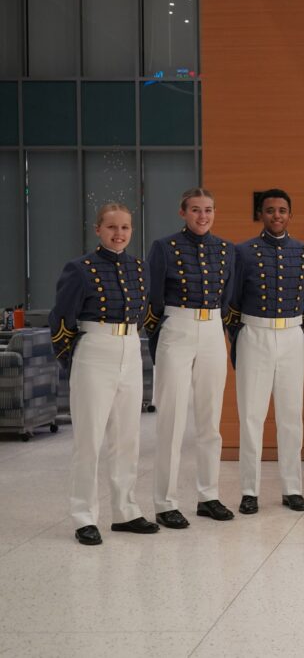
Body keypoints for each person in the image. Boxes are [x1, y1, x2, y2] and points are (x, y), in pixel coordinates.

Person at [50, 204, 160, 545]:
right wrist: (73, 361)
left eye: (125, 227)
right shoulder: (80, 268)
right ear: (98, 229)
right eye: (112, 227)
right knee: (89, 440)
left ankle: (125, 511)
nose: (119, 233)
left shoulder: (138, 268)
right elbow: (61, 319)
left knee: (127, 438)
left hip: (130, 347)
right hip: (94, 349)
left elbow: (143, 311)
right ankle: (84, 516)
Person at [145, 188, 235, 529]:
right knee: (171, 418)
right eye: (196, 210)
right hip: (176, 327)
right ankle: (165, 502)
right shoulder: (164, 248)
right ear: (183, 212)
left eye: (208, 210)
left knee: (210, 420)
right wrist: (160, 341)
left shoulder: (225, 249)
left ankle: (208, 496)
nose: (203, 216)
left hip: (212, 328)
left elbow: (227, 294)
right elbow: (152, 298)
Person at [227, 189, 304, 515]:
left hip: (292, 336)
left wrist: (295, 334)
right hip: (254, 334)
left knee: (291, 416)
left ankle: (292, 488)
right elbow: (232, 302)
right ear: (261, 215)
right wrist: (239, 341)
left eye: (282, 210)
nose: (276, 215)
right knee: (251, 416)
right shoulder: (243, 252)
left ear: (289, 214)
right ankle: (249, 491)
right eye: (270, 211)